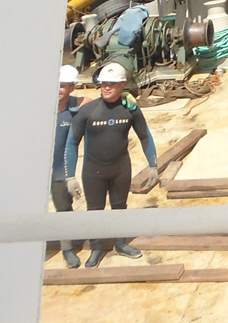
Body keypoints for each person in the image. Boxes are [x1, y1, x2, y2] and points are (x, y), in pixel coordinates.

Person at [64, 62, 159, 268]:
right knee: (95, 210)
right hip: (93, 170)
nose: (106, 87)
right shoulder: (88, 110)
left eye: (112, 84)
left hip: (120, 169)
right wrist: (70, 177)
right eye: (103, 83)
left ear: (122, 85)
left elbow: (145, 136)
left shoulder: (130, 109)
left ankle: (120, 244)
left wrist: (153, 165)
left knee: (119, 208)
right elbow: (71, 142)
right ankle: (96, 248)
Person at [52, 65, 84, 268]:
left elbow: (97, 103)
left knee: (63, 209)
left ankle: (66, 248)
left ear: (72, 88)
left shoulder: (74, 109)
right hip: (33, 172)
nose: (58, 90)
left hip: (58, 170)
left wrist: (125, 98)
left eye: (63, 86)